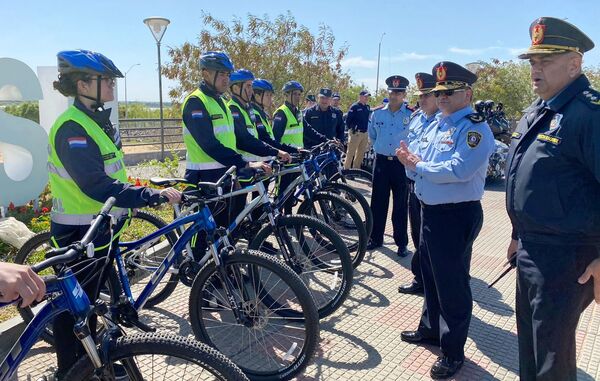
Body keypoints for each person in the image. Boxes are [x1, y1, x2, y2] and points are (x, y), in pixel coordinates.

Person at [48, 49, 181, 380]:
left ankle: (92, 364)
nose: (111, 85)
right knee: (72, 314)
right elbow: (95, 184)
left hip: (100, 227)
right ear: (82, 84)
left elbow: (115, 171)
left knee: (90, 306)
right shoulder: (71, 128)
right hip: (77, 233)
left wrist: (135, 193)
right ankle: (70, 371)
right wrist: (146, 195)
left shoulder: (96, 119)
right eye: (105, 80)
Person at [506, 17, 600, 380]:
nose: (535, 69)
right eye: (532, 62)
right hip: (531, 250)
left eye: (545, 61)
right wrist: (517, 235)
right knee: (531, 353)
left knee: (552, 363)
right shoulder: (540, 110)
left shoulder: (589, 114)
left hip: (566, 259)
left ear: (574, 64)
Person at [396, 61, 494, 379]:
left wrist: (418, 166)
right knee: (431, 276)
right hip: (430, 211)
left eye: (448, 92)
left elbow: (458, 170)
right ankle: (430, 329)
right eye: (438, 92)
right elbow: (420, 160)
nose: (441, 98)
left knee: (452, 285)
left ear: (466, 93)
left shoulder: (475, 128)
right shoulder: (440, 122)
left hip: (455, 215)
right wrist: (411, 164)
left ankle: (453, 352)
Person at [397, 72, 439, 296]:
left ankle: (431, 282)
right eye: (420, 96)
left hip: (432, 187)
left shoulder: (443, 121)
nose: (422, 100)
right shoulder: (416, 118)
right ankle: (420, 278)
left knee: (430, 240)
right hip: (412, 183)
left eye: (427, 96)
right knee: (417, 234)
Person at [366, 76, 412, 258]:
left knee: (401, 205)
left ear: (404, 94)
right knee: (378, 202)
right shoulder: (377, 113)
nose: (395, 95)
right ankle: (375, 238)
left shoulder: (411, 114)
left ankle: (401, 243)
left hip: (401, 164)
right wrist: (382, 149)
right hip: (382, 162)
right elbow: (373, 136)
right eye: (392, 92)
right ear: (388, 92)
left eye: (399, 92)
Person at [273, 81, 327, 213]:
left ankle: (289, 217)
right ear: (287, 95)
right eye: (295, 94)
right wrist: (285, 152)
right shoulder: (281, 113)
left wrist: (325, 139)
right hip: (285, 160)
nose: (298, 97)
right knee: (282, 192)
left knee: (291, 191)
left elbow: (308, 130)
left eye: (299, 94)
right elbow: (275, 139)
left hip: (297, 159)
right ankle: (278, 221)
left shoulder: (297, 112)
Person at [227, 69, 289, 163]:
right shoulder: (233, 109)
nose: (251, 91)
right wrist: (277, 152)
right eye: (248, 86)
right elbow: (244, 140)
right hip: (247, 167)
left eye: (251, 87)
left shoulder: (247, 109)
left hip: (259, 165)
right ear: (235, 88)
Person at [251, 78, 299, 156]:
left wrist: (294, 150)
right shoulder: (254, 115)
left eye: (271, 95)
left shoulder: (261, 114)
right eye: (267, 95)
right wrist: (289, 150)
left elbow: (271, 140)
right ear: (257, 96)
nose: (271, 98)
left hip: (266, 162)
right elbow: (266, 139)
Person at [344, 90, 371, 169]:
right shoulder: (354, 106)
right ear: (360, 96)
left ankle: (356, 170)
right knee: (350, 152)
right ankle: (347, 170)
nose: (366, 98)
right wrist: (352, 130)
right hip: (356, 133)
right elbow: (348, 120)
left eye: (367, 96)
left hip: (364, 133)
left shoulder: (367, 107)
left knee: (360, 153)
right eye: (365, 96)